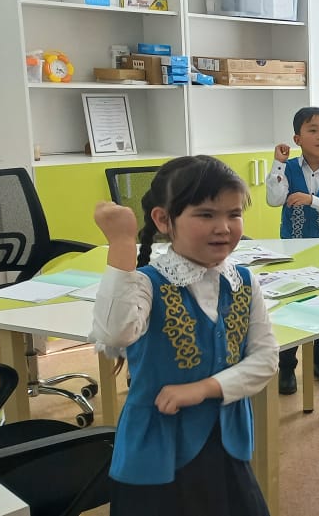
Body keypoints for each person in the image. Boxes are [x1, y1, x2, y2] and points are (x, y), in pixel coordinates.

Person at [90, 155, 278, 515]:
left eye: (234, 214)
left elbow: (265, 358)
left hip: (226, 444)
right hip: (157, 453)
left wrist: (204, 389)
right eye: (206, 215)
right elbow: (114, 332)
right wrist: (122, 243)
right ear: (163, 220)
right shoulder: (146, 283)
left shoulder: (243, 281)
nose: (223, 227)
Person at [266, 107, 319, 393]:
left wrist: (312, 200)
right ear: (297, 138)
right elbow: (274, 200)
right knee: (292, 306)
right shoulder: (288, 168)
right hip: (294, 249)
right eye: (313, 130)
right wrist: (277, 164)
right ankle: (287, 366)